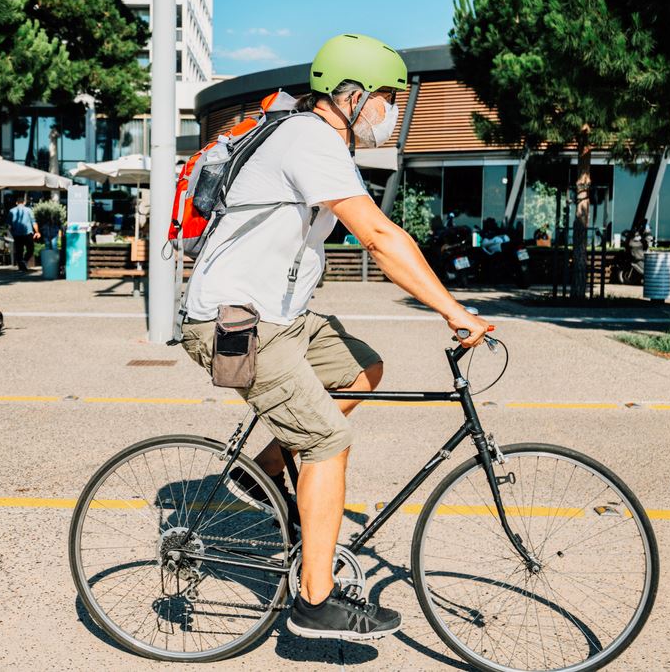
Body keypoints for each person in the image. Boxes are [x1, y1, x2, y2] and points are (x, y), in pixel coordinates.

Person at [177, 34, 492, 642]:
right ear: (352, 96)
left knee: (362, 369)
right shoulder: (308, 137)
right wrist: (454, 311)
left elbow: (375, 233)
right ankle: (314, 602)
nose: (393, 112)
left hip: (280, 315)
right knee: (327, 438)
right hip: (235, 322)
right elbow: (377, 234)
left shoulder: (314, 137)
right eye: (386, 98)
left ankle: (267, 468)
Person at [7, 197, 39, 271]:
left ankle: (21, 266)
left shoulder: (11, 211)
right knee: (30, 249)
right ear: (24, 202)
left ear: (16, 203)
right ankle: (24, 261)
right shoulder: (29, 210)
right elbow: (34, 222)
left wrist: (12, 232)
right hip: (28, 233)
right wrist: (37, 232)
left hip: (17, 234)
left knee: (19, 250)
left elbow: (9, 225)